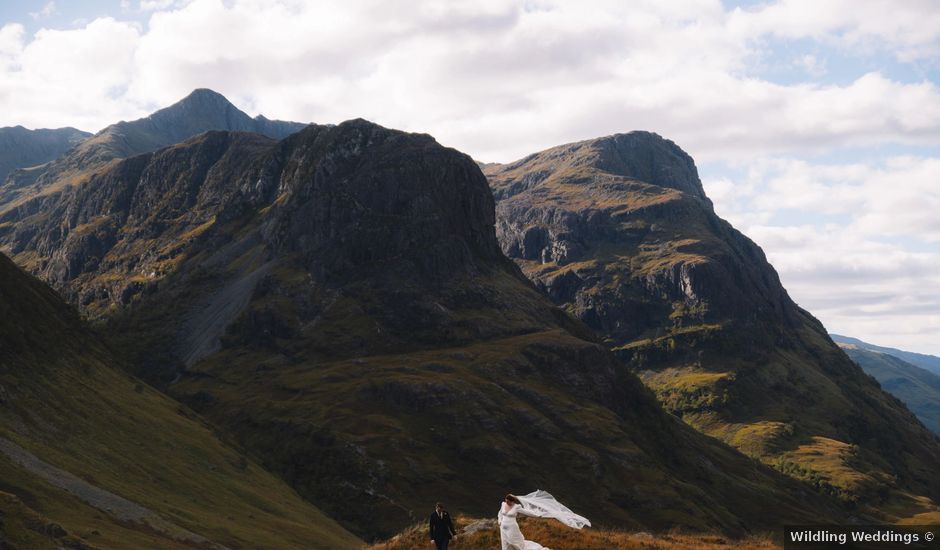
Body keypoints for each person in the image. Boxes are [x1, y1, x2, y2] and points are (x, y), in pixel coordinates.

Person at [497, 490, 590, 550]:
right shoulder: (503, 504)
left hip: (512, 527)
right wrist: (500, 521)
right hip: (503, 528)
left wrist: (539, 515)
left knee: (515, 542)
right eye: (506, 500)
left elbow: (528, 512)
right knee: (505, 543)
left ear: (513, 501)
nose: (507, 502)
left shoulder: (517, 507)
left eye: (509, 501)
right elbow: (500, 513)